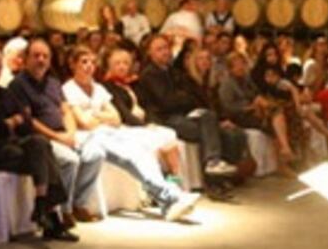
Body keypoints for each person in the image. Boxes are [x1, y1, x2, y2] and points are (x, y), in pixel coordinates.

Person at [63, 47, 200, 221]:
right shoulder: (68, 89)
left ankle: (167, 200)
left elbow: (116, 118)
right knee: (129, 157)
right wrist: (102, 116)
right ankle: (171, 197)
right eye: (84, 62)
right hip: (88, 137)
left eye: (92, 62)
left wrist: (94, 114)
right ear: (72, 65)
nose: (89, 66)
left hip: (109, 132)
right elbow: (84, 123)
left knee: (141, 151)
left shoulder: (98, 88)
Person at [0, 48, 73, 241]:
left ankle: (42, 203)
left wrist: (12, 122)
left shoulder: (4, 93)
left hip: (13, 144)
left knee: (40, 143)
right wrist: (10, 122)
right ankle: (48, 214)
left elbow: (26, 120)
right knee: (43, 156)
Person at [9, 37, 101, 231]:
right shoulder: (18, 85)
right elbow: (29, 121)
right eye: (36, 56)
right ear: (26, 59)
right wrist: (60, 138)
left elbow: (66, 110)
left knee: (96, 154)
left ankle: (79, 203)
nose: (41, 60)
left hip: (64, 133)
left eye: (45, 56)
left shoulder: (53, 82)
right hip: (40, 139)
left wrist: (71, 133)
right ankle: (64, 210)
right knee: (70, 160)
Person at [136, 34, 238, 180]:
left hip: (182, 115)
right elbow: (167, 102)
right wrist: (184, 98)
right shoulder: (149, 74)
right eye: (159, 49)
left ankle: (217, 170)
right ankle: (213, 167)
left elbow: (191, 95)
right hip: (165, 119)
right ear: (150, 53)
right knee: (211, 128)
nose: (165, 52)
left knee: (215, 122)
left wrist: (183, 98)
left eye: (166, 48)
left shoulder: (173, 72)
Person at [101, 47, 187, 185]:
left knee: (168, 133)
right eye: (117, 63)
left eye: (125, 63)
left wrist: (151, 122)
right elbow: (123, 113)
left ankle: (174, 179)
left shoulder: (131, 84)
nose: (122, 67)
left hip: (140, 124)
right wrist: (145, 126)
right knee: (157, 138)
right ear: (109, 66)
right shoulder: (108, 86)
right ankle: (161, 184)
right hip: (125, 127)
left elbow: (147, 106)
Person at [218, 52, 296, 177]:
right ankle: (284, 155)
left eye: (242, 64)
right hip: (239, 116)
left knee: (278, 113)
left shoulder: (246, 80)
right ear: (231, 68)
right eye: (237, 65)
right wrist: (250, 107)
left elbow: (256, 94)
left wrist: (262, 103)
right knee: (273, 118)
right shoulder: (227, 84)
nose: (241, 68)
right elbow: (228, 107)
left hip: (254, 111)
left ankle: (284, 155)